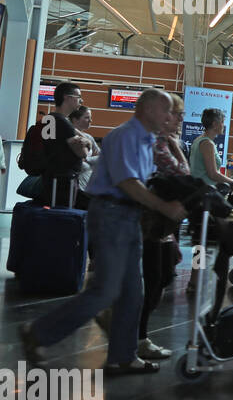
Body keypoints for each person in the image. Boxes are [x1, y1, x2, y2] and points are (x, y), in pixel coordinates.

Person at [19, 89, 187, 374]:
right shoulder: (125, 136)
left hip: (129, 216)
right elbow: (127, 182)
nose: (170, 117)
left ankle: (123, 356)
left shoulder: (147, 139)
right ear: (148, 110)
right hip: (112, 215)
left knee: (133, 292)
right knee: (105, 291)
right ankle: (38, 332)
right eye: (166, 110)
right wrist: (164, 207)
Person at [138, 93, 189, 359]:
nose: (179, 119)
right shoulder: (157, 141)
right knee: (153, 280)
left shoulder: (163, 141)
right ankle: (136, 337)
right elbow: (182, 173)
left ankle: (136, 335)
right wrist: (176, 146)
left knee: (163, 276)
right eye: (176, 114)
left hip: (160, 224)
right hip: (148, 222)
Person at [32, 81, 91, 206]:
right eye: (78, 97)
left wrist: (84, 139)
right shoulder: (63, 123)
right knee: (63, 215)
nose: (81, 101)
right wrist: (87, 142)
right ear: (67, 97)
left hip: (50, 178)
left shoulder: (50, 118)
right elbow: (83, 153)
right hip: (64, 182)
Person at [188, 108, 233, 189]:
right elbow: (213, 174)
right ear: (214, 124)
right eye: (222, 122)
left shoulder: (200, 140)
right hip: (204, 190)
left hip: (201, 187)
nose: (223, 125)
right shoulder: (207, 144)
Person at [68, 105, 100, 193]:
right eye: (87, 118)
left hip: (89, 184)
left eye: (90, 118)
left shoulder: (89, 137)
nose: (90, 120)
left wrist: (88, 160)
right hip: (75, 185)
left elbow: (102, 158)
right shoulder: (68, 137)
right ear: (75, 120)